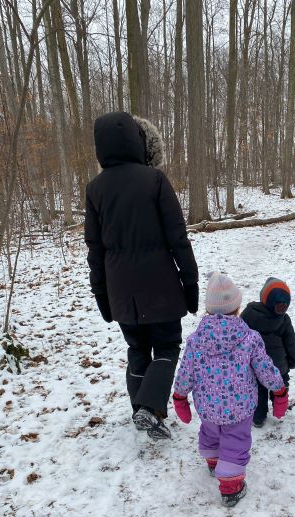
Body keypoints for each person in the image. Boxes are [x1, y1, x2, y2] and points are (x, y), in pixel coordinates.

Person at [85, 111, 198, 441]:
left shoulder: (95, 189)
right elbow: (178, 237)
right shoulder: (155, 180)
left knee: (137, 348)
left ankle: (141, 412)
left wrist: (102, 296)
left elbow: (95, 250)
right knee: (165, 347)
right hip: (161, 287)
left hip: (122, 292)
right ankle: (149, 408)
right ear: (139, 142)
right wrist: (189, 283)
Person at [172, 272, 288, 507]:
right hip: (239, 408)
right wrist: (279, 391)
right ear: (236, 307)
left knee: (211, 433)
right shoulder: (250, 338)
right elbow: (265, 369)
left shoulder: (196, 340)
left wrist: (180, 396)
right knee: (235, 442)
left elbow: (186, 372)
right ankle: (231, 485)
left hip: (208, 406)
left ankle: (214, 462)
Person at [241, 278, 295, 427]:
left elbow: (240, 337)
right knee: (279, 386)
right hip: (279, 366)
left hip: (255, 366)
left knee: (258, 391)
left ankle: (258, 417)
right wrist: (294, 359)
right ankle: (279, 408)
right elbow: (290, 343)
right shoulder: (284, 319)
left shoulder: (249, 314)